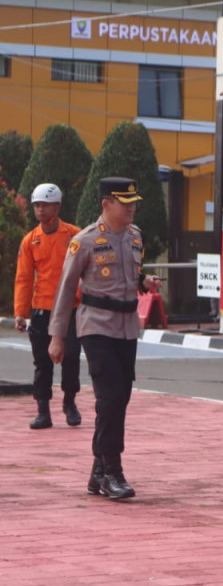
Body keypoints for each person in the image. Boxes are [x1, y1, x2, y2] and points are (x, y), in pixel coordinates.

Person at [48, 178, 162, 500]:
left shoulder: (135, 236)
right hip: (96, 326)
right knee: (110, 397)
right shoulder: (84, 241)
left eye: (133, 202)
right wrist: (57, 336)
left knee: (118, 399)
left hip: (127, 326)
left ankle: (97, 472)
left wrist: (144, 282)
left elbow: (128, 276)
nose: (131, 208)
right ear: (106, 204)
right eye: (125, 202)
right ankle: (113, 471)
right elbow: (66, 289)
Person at [14, 183, 82, 430]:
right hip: (41, 308)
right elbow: (23, 278)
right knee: (42, 361)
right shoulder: (30, 241)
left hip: (71, 308)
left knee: (72, 356)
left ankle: (70, 402)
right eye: (36, 205)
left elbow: (86, 269)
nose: (40, 210)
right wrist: (21, 313)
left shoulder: (74, 236)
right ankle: (43, 410)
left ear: (58, 206)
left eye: (45, 205)